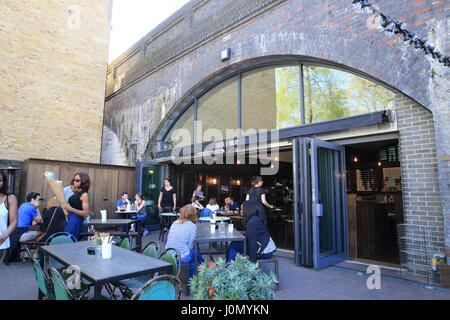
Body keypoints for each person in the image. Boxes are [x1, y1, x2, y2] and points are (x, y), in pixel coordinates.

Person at [165, 205, 204, 278]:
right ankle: (193, 279)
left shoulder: (175, 223)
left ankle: (203, 265)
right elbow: (190, 246)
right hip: (181, 257)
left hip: (169, 254)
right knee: (194, 253)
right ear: (194, 215)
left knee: (194, 253)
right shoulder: (193, 226)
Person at [9, 192, 42, 261]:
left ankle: (27, 254)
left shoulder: (23, 205)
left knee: (32, 233)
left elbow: (33, 223)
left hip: (15, 233)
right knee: (42, 234)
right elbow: (39, 220)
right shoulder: (32, 208)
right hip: (22, 235)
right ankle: (35, 254)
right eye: (38, 200)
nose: (39, 202)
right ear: (32, 200)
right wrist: (37, 208)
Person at [61, 172, 91, 240]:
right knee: (67, 240)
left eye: (77, 180)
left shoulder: (84, 194)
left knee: (70, 241)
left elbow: (86, 213)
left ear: (83, 182)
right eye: (73, 180)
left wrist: (70, 208)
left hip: (75, 221)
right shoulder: (77, 192)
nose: (74, 182)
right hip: (69, 219)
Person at [0, 171, 18, 265]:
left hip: (1, 243)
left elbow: (14, 222)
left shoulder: (10, 198)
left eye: (0, 180)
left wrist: (3, 237)